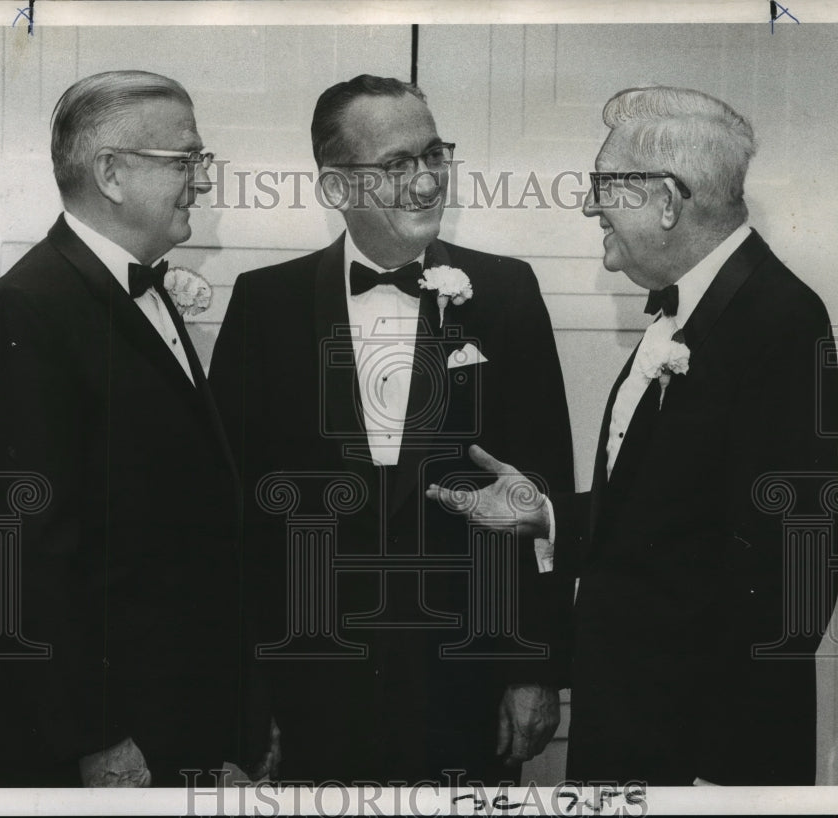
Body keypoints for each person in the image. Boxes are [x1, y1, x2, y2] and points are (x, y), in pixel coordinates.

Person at [428, 86, 838, 785]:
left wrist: (714, 779)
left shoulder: (779, 320)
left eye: (602, 185)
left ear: (667, 200)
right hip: (637, 732)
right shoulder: (694, 310)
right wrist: (549, 512)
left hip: (699, 758)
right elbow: (676, 516)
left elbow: (793, 582)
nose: (589, 207)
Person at [208, 74, 574, 785]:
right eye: (397, 164)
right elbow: (234, 522)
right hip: (308, 689)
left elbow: (540, 492)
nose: (427, 181)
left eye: (434, 155)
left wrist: (536, 670)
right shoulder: (264, 305)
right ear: (337, 187)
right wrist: (246, 696)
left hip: (468, 688)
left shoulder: (507, 293)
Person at [0, 70, 270, 787]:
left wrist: (241, 717)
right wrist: (93, 739)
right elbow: (17, 564)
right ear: (112, 173)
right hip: (92, 748)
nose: (202, 180)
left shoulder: (142, 291)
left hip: (169, 728)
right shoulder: (23, 313)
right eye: (186, 160)